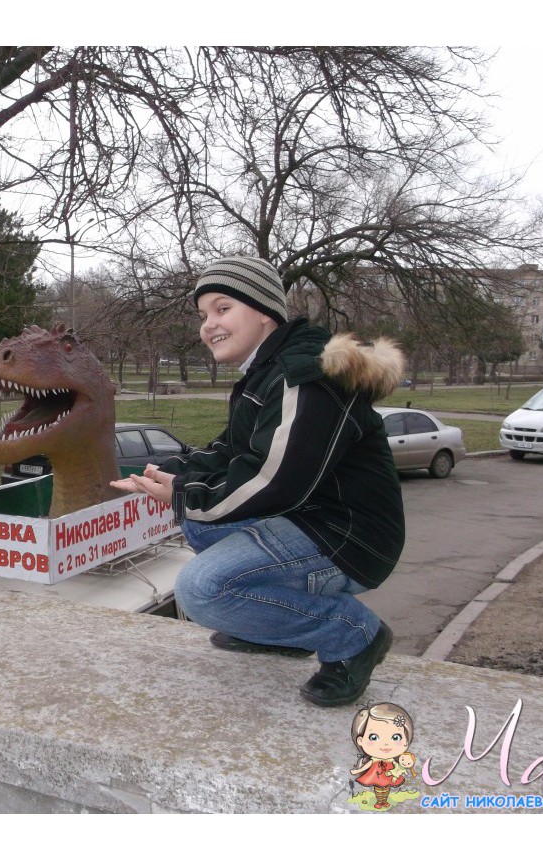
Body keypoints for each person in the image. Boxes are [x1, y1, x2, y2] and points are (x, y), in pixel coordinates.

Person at [111, 255, 405, 707]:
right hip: (308, 518)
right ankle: (277, 631)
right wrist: (173, 474)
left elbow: (275, 481)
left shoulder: (304, 377)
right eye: (204, 315)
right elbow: (234, 451)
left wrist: (185, 494)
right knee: (197, 523)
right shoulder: (267, 372)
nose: (209, 325)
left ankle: (353, 635)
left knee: (201, 589)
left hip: (347, 538)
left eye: (223, 308)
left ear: (264, 311)